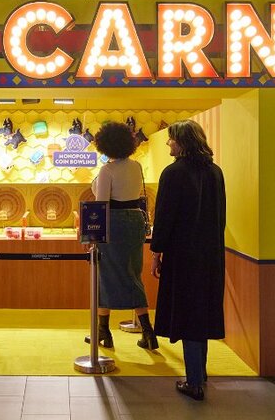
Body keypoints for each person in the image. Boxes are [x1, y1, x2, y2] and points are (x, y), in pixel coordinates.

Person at [150, 120, 226, 402]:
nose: (168, 143)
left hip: (184, 256)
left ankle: (194, 382)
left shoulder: (173, 173)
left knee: (188, 314)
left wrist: (157, 252)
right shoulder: (215, 172)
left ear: (182, 142)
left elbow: (165, 217)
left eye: (171, 139)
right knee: (203, 312)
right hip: (212, 256)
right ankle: (200, 372)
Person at [87, 122, 157, 350]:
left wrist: (95, 184)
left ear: (104, 145)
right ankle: (147, 332)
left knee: (104, 274)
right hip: (135, 219)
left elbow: (101, 203)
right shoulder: (136, 166)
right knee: (132, 273)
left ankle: (103, 331)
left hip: (114, 222)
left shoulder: (107, 170)